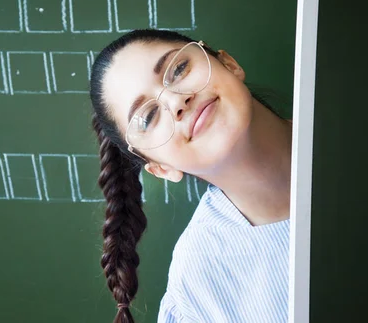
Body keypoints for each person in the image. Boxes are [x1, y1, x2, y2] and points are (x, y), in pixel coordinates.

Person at [89, 29, 292, 322]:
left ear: (229, 63)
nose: (176, 101)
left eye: (179, 69)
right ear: (160, 168)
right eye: (148, 118)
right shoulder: (198, 290)